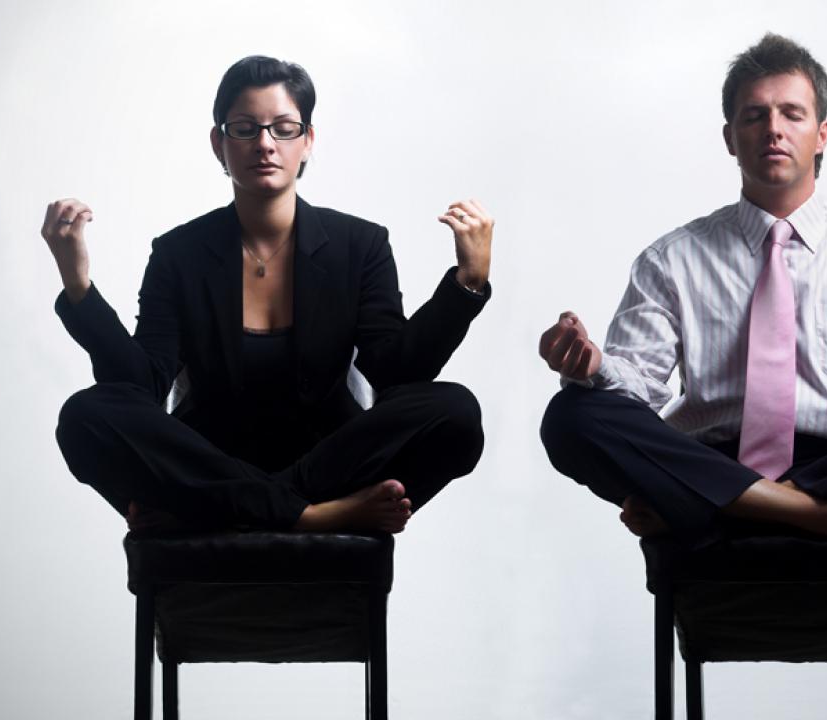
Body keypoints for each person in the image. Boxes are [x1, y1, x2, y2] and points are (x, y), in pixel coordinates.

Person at [538, 34, 827, 544]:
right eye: (754, 116)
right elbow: (638, 392)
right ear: (729, 138)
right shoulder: (670, 260)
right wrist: (594, 367)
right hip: (716, 459)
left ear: (822, 134)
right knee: (571, 415)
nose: (773, 129)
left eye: (792, 114)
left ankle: (726, 510)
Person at [47, 55, 493, 534]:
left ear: (307, 140)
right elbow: (143, 384)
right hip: (210, 460)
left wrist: (467, 282)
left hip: (323, 466)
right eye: (245, 129)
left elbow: (394, 373)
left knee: (456, 412)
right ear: (219, 144)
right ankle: (308, 517)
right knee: (84, 416)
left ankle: (232, 511)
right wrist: (78, 285)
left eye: (283, 129)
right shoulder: (178, 253)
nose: (264, 144)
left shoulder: (360, 245)